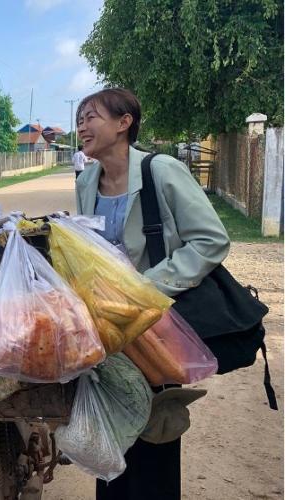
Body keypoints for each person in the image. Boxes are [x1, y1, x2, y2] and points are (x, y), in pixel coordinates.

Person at [74, 87, 230, 499]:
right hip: (109, 332)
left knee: (154, 441)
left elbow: (210, 241)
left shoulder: (162, 170)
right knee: (112, 440)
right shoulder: (87, 179)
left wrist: (145, 287)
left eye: (92, 116)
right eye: (79, 118)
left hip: (156, 330)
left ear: (124, 123)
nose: (81, 125)